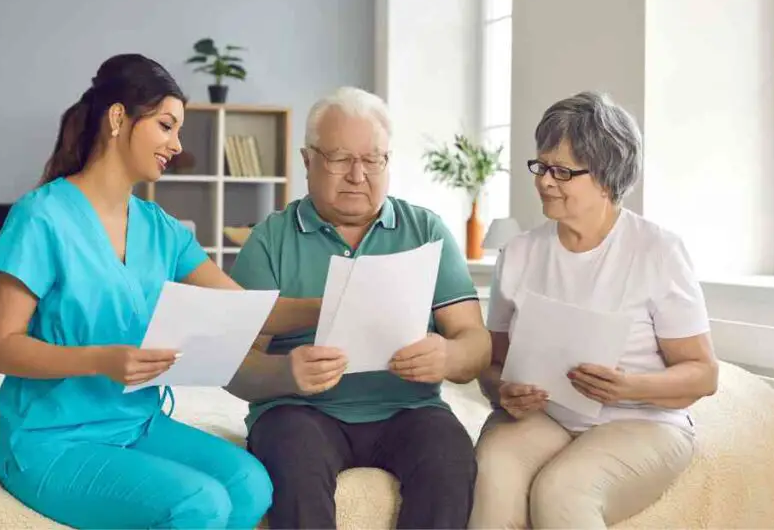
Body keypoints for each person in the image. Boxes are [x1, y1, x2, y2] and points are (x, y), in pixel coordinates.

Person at [0, 53, 322, 529]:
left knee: (251, 485)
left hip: (136, 425)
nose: (176, 146)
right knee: (198, 503)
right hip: (51, 440)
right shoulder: (41, 217)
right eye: (166, 126)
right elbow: (2, 348)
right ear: (118, 118)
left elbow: (246, 310)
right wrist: (101, 360)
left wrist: (331, 309)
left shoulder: (162, 230)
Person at [226, 86, 492, 529]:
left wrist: (447, 356)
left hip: (410, 409)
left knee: (450, 460)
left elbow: (475, 342)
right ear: (307, 160)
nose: (357, 175)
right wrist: (283, 373)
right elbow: (233, 364)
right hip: (298, 411)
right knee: (292, 461)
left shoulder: (426, 230)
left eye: (373, 160)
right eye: (339, 158)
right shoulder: (270, 240)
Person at [470, 91, 719, 529]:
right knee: (491, 473)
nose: (545, 181)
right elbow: (494, 364)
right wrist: (501, 391)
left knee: (562, 491)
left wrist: (627, 387)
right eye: (541, 166)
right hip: (545, 415)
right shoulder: (520, 253)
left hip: (643, 420)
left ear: (606, 177)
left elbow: (702, 373)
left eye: (562, 171)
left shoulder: (657, 251)